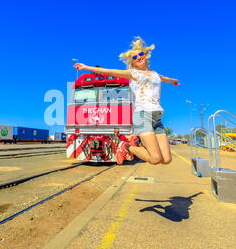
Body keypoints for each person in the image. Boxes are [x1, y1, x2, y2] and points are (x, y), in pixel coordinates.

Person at [74, 36, 180, 165]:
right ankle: (126, 147)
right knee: (155, 159)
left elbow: (164, 78)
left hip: (157, 118)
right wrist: (87, 67)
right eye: (134, 58)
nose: (138, 57)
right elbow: (109, 71)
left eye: (140, 54)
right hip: (142, 116)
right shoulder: (133, 73)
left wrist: (173, 81)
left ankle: (132, 146)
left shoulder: (154, 74)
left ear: (145, 55)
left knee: (167, 160)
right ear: (133, 63)